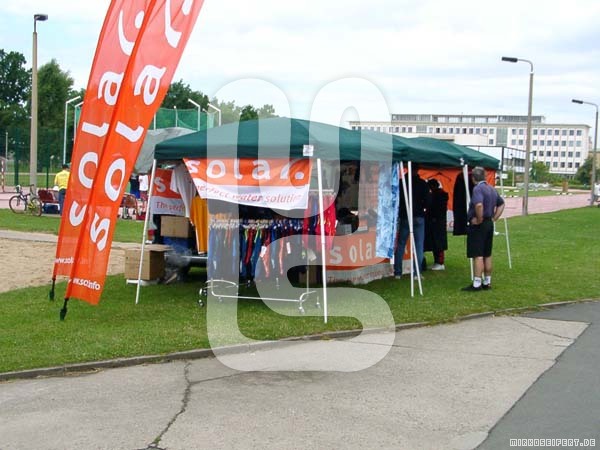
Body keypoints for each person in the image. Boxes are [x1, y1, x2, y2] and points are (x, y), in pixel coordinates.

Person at [462, 166, 505, 291]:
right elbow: (501, 204)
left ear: (473, 178)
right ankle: (487, 281)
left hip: (479, 225)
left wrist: (479, 219)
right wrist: (494, 218)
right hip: (489, 223)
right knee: (487, 254)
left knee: (478, 254)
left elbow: (479, 205)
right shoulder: (491, 188)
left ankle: (476, 283)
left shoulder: (477, 189)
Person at [394, 166, 431, 279]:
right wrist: (423, 208)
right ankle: (417, 273)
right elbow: (428, 201)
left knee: (401, 244)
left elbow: (396, 199)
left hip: (405, 216)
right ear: (417, 170)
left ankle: (398, 272)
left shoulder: (401, 183)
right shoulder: (422, 183)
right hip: (418, 215)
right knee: (419, 246)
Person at [424, 178, 448, 270]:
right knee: (435, 243)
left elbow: (434, 209)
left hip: (437, 222)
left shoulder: (439, 195)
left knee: (438, 243)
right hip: (436, 221)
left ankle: (440, 262)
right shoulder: (438, 194)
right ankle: (437, 262)